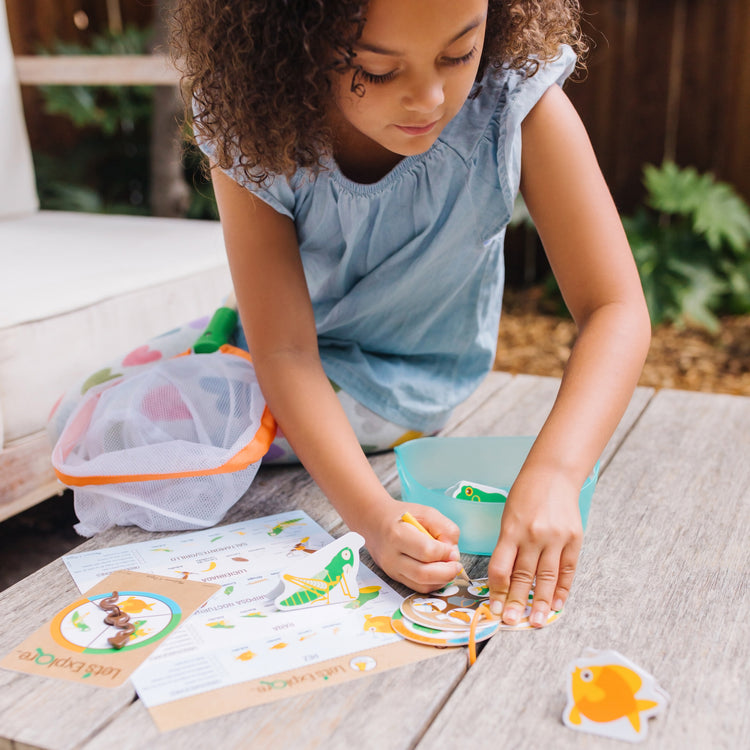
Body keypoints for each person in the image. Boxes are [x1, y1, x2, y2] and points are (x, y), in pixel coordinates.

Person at [170, 0, 651, 627]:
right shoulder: (257, 128)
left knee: (154, 416)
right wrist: (373, 516)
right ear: (294, 44)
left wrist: (558, 472)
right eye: (375, 68)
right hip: (292, 364)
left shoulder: (512, 101)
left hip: (404, 389)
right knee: (120, 406)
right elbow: (285, 350)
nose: (428, 98)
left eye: (459, 53)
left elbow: (615, 306)